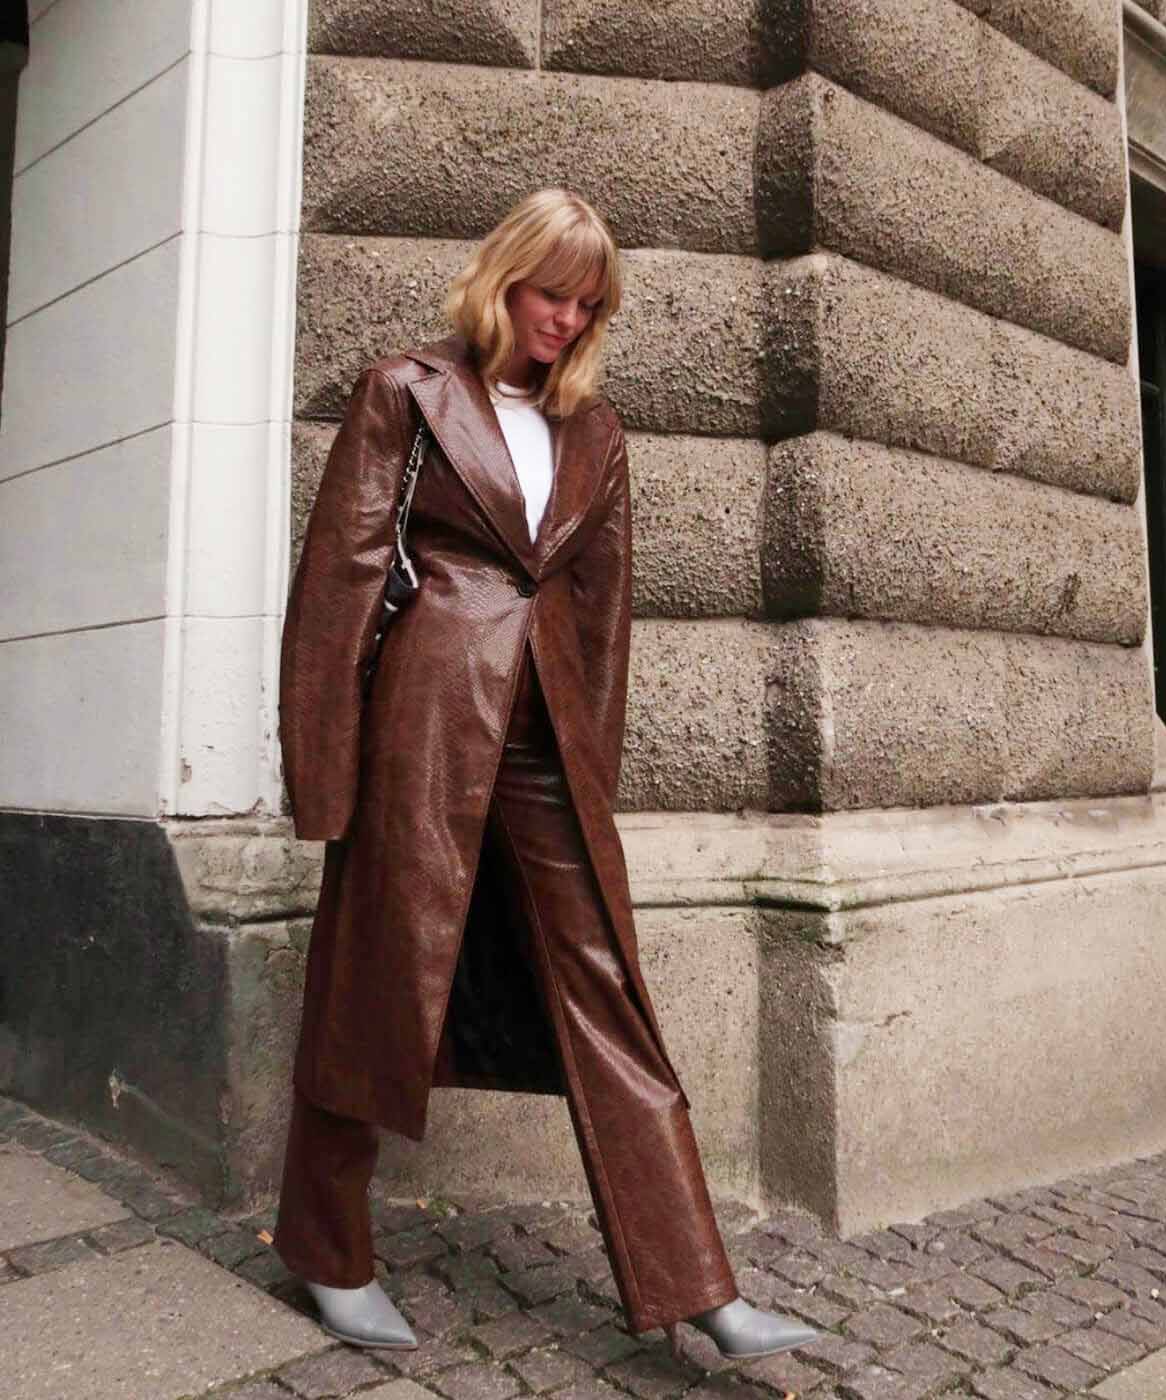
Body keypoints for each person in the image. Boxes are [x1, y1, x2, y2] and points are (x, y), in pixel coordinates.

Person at [271, 187, 823, 1364]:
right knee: (373, 977)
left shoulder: (596, 430)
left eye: (588, 304)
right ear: (504, 277)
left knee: (607, 981)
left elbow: (601, 610)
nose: (566, 319)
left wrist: (593, 768)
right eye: (551, 293)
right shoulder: (405, 391)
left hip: (545, 742)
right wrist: (323, 773)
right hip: (422, 724)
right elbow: (339, 580)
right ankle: (327, 1249)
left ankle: (702, 1287)